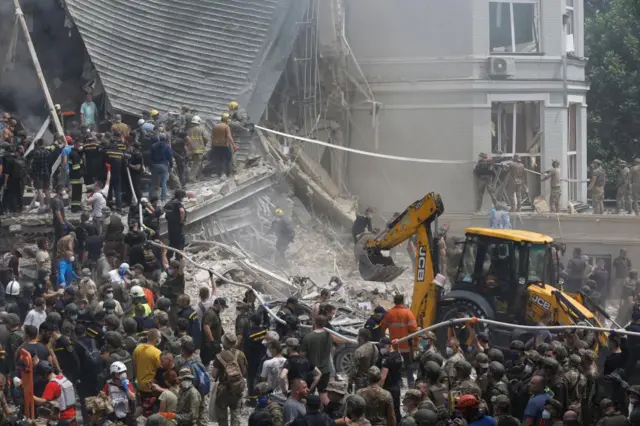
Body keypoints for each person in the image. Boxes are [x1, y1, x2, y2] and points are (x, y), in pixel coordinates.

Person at [381, 294, 418, 387]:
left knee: (395, 365)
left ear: (394, 301)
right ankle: (411, 383)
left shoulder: (389, 313)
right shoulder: (408, 313)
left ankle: (399, 382)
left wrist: (384, 340)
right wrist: (416, 343)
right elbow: (414, 330)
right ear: (403, 301)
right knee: (408, 364)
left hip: (394, 345)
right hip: (405, 345)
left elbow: (382, 327)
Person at [213, 333, 248, 426]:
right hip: (237, 388)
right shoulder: (241, 354)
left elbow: (214, 374)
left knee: (222, 416)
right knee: (235, 414)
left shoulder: (219, 356)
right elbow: (244, 372)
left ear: (223, 343)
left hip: (223, 389)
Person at [34, 361, 77, 425]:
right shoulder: (63, 378)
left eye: (40, 375)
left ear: (44, 374)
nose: (40, 377)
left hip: (62, 420)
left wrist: (29, 395)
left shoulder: (52, 384)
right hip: (72, 416)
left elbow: (41, 402)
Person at [133, 328, 162, 403]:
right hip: (151, 387)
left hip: (140, 385)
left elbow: (135, 365)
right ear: (156, 339)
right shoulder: (157, 353)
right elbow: (160, 370)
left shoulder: (137, 349)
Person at [210, 113, 234, 178]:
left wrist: (212, 146)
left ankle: (219, 173)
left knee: (218, 160)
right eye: (228, 119)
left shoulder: (215, 126)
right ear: (226, 119)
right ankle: (228, 173)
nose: (229, 120)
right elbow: (229, 136)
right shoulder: (226, 126)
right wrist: (234, 145)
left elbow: (212, 137)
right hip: (224, 145)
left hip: (216, 146)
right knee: (228, 159)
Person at [150, 134, 172, 203]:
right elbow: (170, 157)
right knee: (163, 182)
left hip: (155, 165)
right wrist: (171, 164)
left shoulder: (153, 146)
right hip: (164, 165)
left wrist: (152, 164)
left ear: (159, 138)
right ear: (165, 139)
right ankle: (163, 198)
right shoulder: (167, 147)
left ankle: (152, 197)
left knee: (153, 182)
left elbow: (151, 156)